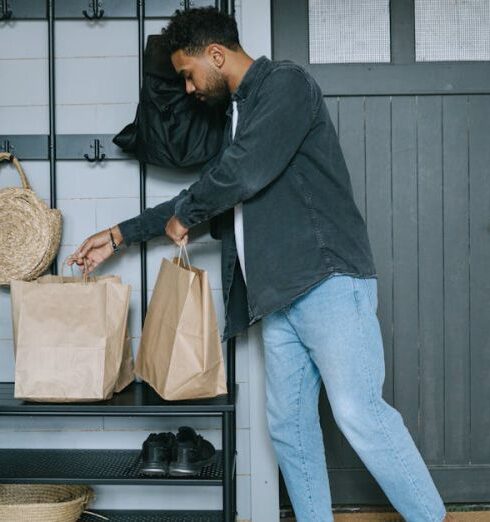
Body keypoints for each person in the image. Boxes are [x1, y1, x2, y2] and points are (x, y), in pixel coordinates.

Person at [69, 7, 455, 522]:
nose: (187, 88)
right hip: (276, 301)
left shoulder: (286, 85)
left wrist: (189, 210)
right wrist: (118, 234)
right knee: (289, 429)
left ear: (215, 55)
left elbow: (239, 174)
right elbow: (211, 188)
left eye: (188, 74)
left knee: (359, 413)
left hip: (328, 282)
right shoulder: (237, 119)